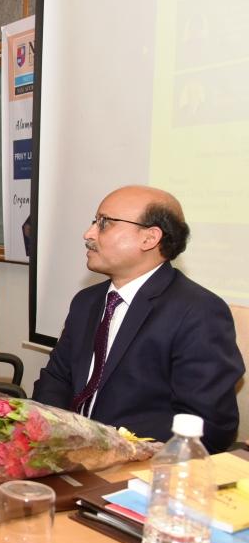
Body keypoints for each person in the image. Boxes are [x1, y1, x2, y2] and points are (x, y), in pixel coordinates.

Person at [32, 185, 242, 453]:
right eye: (94, 222)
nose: (89, 233)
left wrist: (108, 449)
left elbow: (208, 426)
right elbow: (56, 380)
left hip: (138, 464)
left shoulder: (199, 311)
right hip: (65, 452)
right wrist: (50, 435)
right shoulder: (86, 301)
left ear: (149, 238)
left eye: (104, 223)